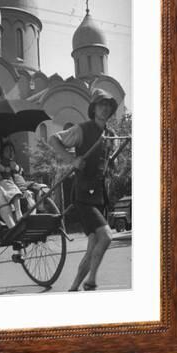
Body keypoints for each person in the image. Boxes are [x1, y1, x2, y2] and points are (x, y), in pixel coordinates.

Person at [49, 89, 118, 291]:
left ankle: (74, 287)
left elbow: (107, 162)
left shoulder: (111, 135)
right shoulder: (81, 130)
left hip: (99, 196)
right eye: (101, 104)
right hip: (83, 195)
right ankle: (91, 281)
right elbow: (53, 139)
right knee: (106, 237)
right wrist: (72, 159)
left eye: (108, 105)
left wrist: (111, 163)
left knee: (93, 246)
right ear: (93, 108)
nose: (105, 108)